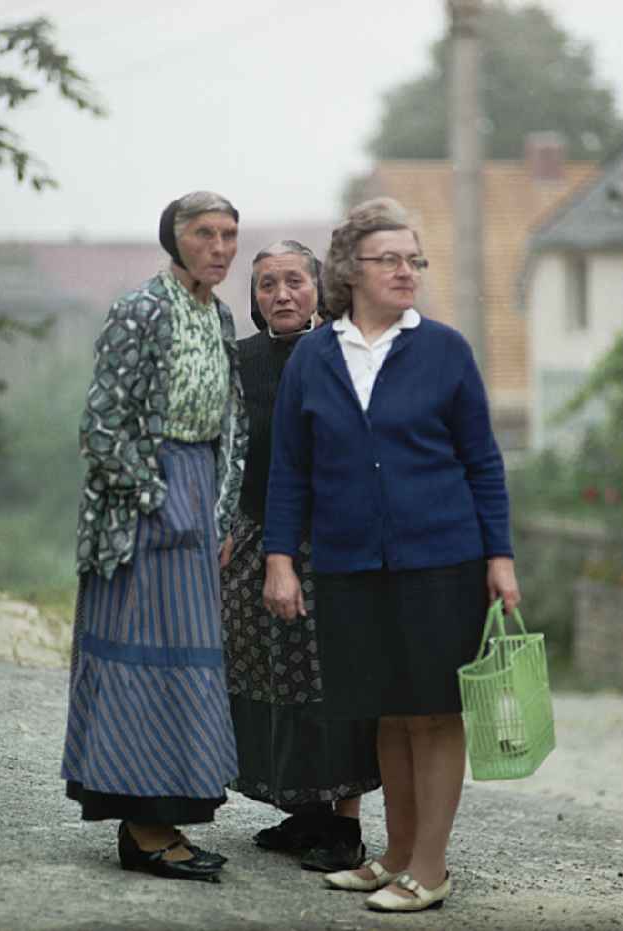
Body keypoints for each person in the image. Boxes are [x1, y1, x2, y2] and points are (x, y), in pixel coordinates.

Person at [263, 198, 520, 913]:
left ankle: (430, 868)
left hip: (443, 559)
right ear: (352, 269)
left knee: (435, 712)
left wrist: (499, 555)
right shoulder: (314, 356)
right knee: (387, 711)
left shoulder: (446, 349)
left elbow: (483, 461)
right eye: (391, 259)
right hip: (349, 564)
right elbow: (290, 467)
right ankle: (398, 854)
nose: (407, 271)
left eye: (415, 259)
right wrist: (279, 556)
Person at [61, 191, 248, 882]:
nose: (221, 247)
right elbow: (101, 426)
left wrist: (218, 512)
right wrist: (155, 499)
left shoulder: (219, 315)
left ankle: (160, 822)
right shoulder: (139, 309)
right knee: (144, 662)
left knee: (189, 663)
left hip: (198, 495)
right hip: (141, 505)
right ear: (175, 240)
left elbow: (232, 422)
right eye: (205, 233)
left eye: (230, 234)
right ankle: (145, 827)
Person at [221, 240, 380, 872]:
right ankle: (301, 813)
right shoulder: (239, 363)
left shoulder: (346, 355)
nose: (281, 294)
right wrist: (223, 522)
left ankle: (343, 825)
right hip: (256, 539)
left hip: (330, 546)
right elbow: (223, 448)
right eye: (266, 285)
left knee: (329, 683)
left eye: (294, 281)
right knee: (266, 679)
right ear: (254, 298)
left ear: (319, 288)